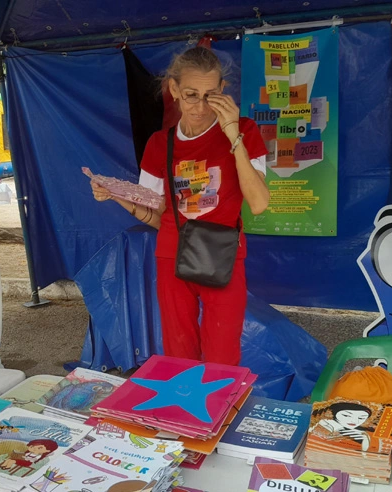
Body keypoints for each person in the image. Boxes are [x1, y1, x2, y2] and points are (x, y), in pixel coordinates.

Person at [91, 46, 269, 365]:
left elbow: (258, 204)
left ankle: (219, 414)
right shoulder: (160, 144)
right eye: (190, 94)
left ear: (223, 92)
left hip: (223, 255)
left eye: (210, 95)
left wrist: (233, 136)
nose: (200, 107)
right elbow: (156, 215)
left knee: (222, 355)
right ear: (173, 89)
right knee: (178, 353)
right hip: (172, 255)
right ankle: (184, 413)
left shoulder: (244, 131)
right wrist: (116, 195)